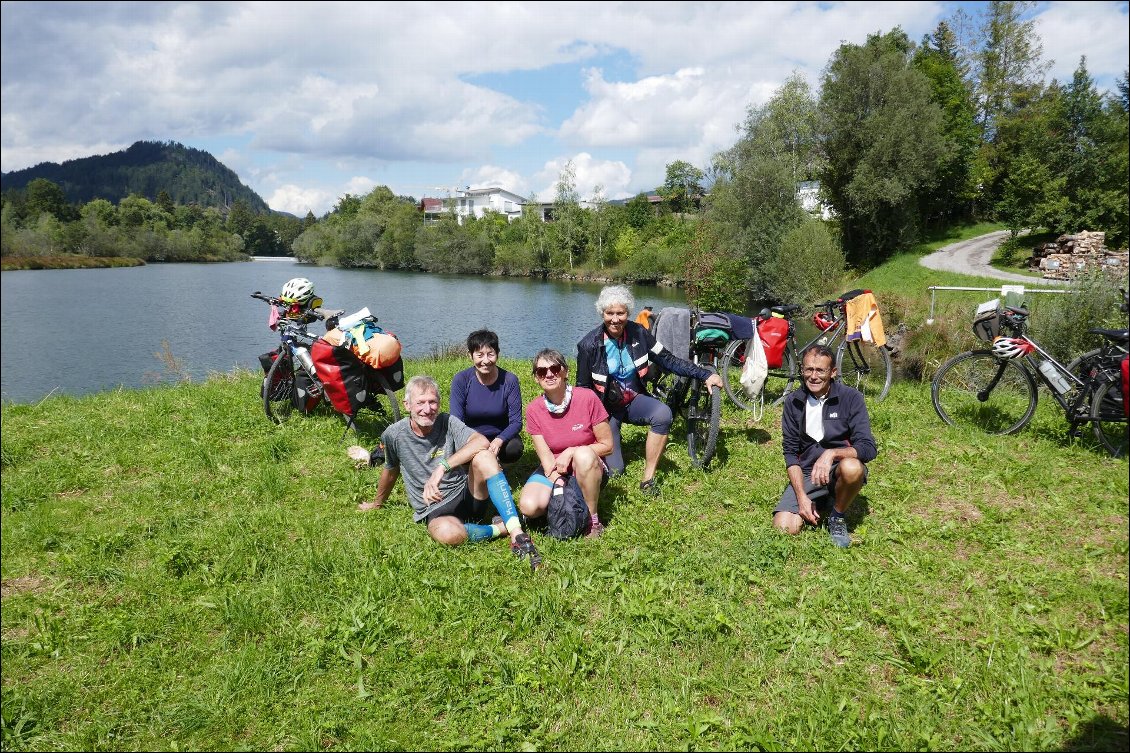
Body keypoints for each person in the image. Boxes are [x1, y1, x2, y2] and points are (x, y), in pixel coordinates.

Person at [359, 375, 542, 570]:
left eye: (433, 402)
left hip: (466, 495)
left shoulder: (447, 422)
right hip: (434, 509)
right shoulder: (393, 435)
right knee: (448, 534)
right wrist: (378, 503)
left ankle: (517, 532)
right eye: (420, 403)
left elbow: (481, 442)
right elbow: (390, 469)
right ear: (407, 405)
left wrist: (442, 467)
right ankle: (497, 529)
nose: (427, 409)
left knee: (485, 456)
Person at [576, 285, 724, 496]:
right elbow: (582, 391)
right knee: (616, 471)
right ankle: (609, 444)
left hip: (634, 399)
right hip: (605, 411)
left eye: (621, 313)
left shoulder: (639, 333)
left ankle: (648, 478)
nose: (615, 319)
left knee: (663, 414)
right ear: (602, 313)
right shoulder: (588, 345)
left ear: (628, 312)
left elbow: (668, 359)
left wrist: (705, 374)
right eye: (610, 313)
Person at [773, 344, 877, 548]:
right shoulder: (793, 402)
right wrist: (801, 497)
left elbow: (868, 447)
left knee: (852, 467)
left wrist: (832, 453)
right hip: (807, 472)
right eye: (808, 369)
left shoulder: (851, 398)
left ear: (833, 372)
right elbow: (791, 454)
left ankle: (837, 515)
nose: (813, 376)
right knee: (784, 527)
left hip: (839, 468)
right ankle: (819, 499)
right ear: (802, 370)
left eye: (820, 370)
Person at [518, 349, 614, 538]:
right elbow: (546, 459)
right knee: (529, 507)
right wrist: (559, 482)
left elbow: (608, 445)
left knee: (583, 454)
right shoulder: (533, 410)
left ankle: (592, 522)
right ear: (537, 378)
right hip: (555, 469)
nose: (549, 374)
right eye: (541, 371)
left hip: (587, 466)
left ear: (565, 371)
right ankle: (563, 508)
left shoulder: (587, 398)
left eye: (555, 368)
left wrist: (572, 450)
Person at [449, 330, 524, 465]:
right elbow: (456, 421)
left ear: (497, 354)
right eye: (480, 355)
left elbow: (516, 422)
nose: (485, 361)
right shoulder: (461, 380)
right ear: (470, 356)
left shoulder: (510, 380)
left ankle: (497, 463)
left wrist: (499, 439)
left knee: (514, 448)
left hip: (500, 437)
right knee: (454, 446)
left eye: (490, 354)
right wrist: (477, 443)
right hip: (470, 438)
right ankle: (477, 465)